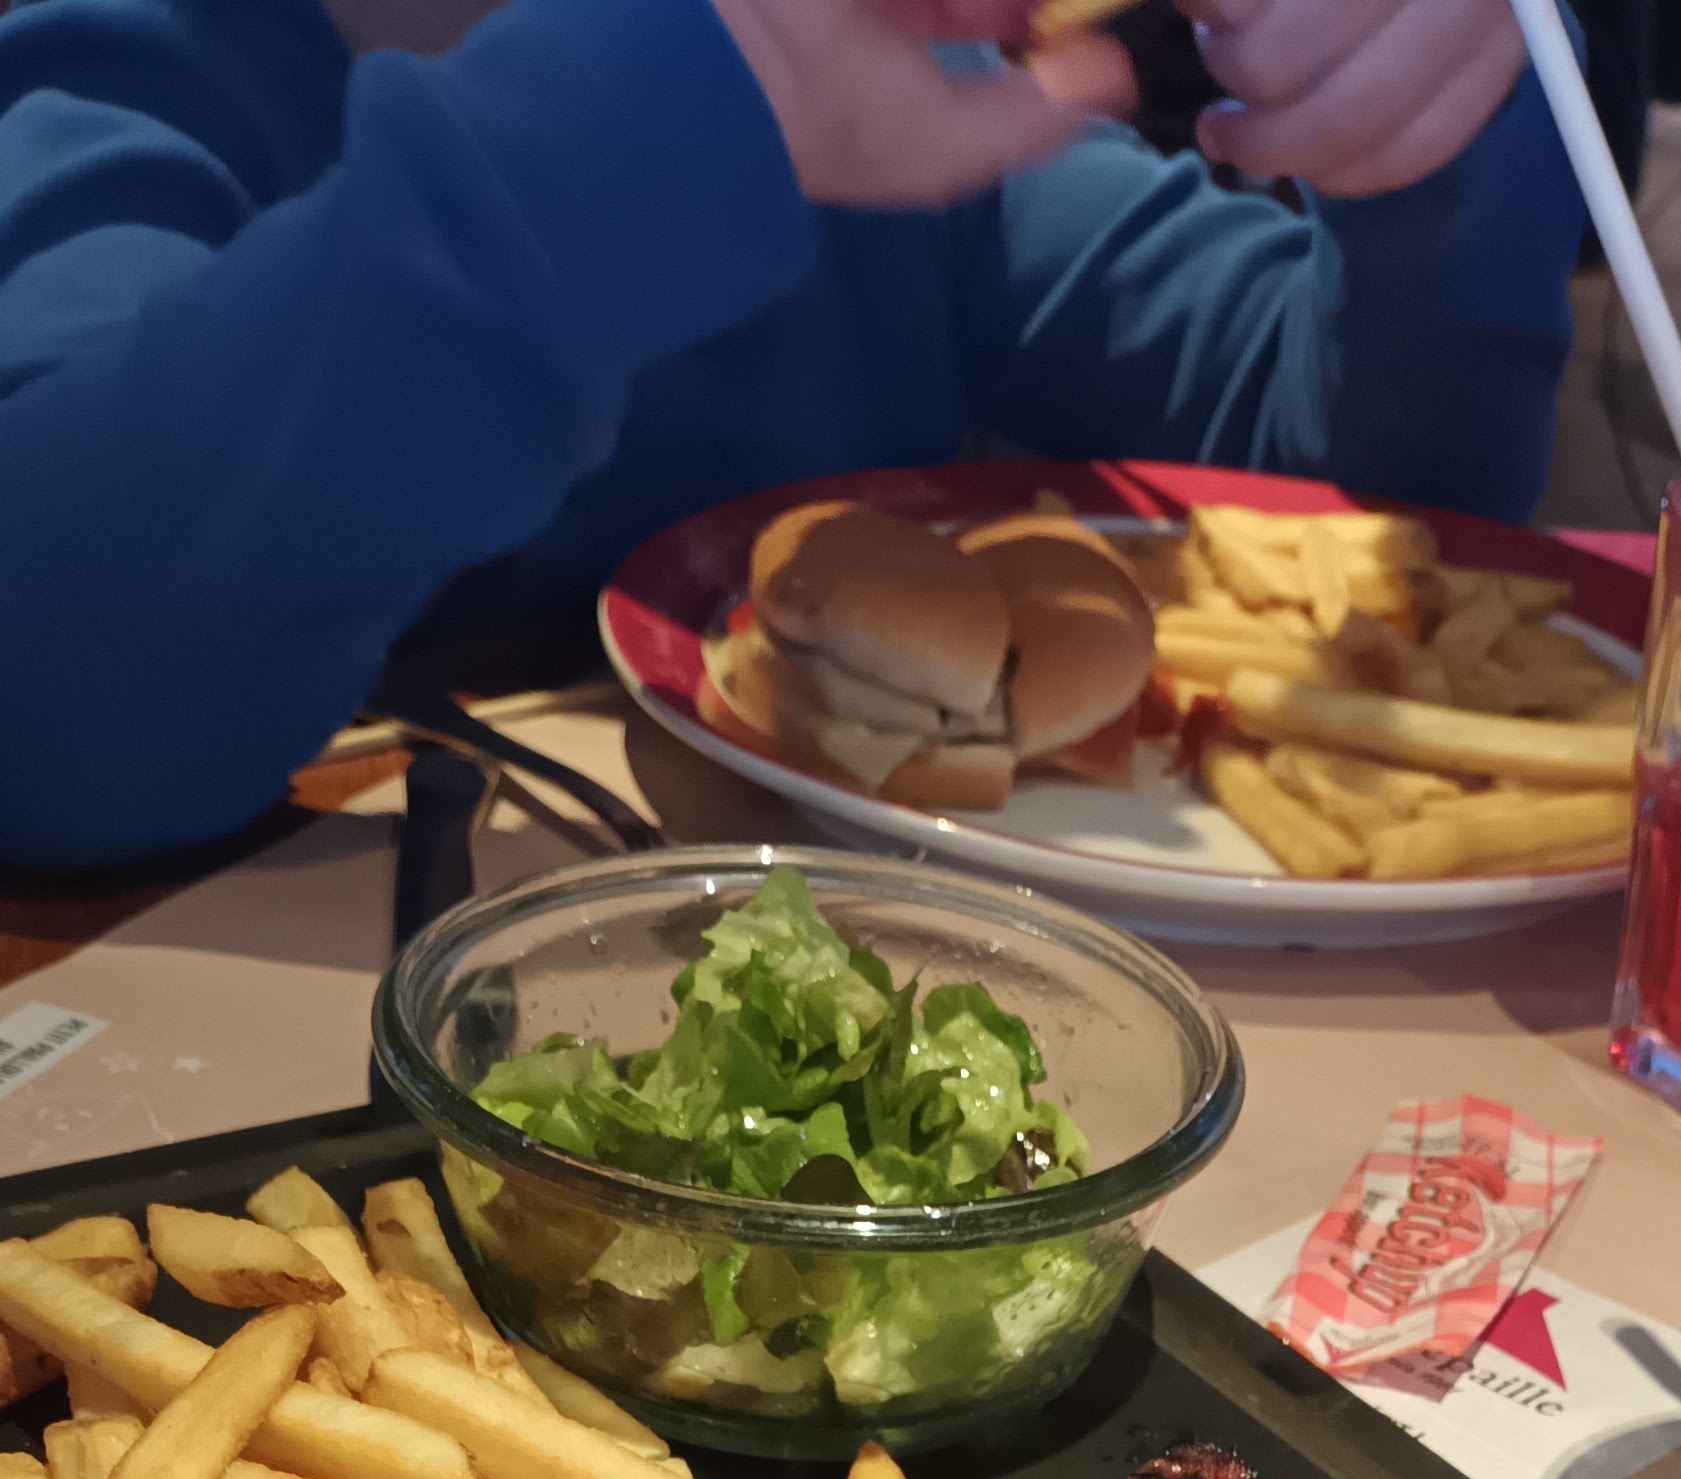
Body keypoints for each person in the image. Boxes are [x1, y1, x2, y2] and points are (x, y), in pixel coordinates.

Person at [0, 0, 1581, 868]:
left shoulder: (904, 107)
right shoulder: (128, 81)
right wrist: (659, 111)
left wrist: (1424, 125)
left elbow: (1380, 507)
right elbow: (55, 714)